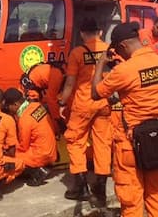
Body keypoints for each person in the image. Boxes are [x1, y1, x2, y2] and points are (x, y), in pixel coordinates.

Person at [92, 22, 158, 217]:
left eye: (119, 50)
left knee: (131, 199)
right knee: (155, 195)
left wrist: (101, 62)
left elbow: (96, 93)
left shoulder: (124, 70)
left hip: (130, 143)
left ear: (123, 46)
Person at [58, 18, 113, 207]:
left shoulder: (77, 52)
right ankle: (101, 190)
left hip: (83, 104)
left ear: (82, 33)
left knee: (75, 141)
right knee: (103, 145)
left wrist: (62, 102)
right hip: (104, 103)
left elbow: (70, 83)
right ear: (99, 32)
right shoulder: (109, 50)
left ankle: (80, 187)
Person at [3, 87, 56, 186]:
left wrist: (7, 147)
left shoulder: (24, 119)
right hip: (51, 151)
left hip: (41, 154)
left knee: (11, 156)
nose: (8, 110)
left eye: (8, 106)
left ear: (15, 104)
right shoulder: (36, 105)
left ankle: (37, 171)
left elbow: (23, 146)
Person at [22, 62, 66, 133]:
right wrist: (58, 120)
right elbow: (51, 100)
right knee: (36, 112)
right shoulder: (58, 76)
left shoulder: (61, 71)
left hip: (35, 83)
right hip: (31, 87)